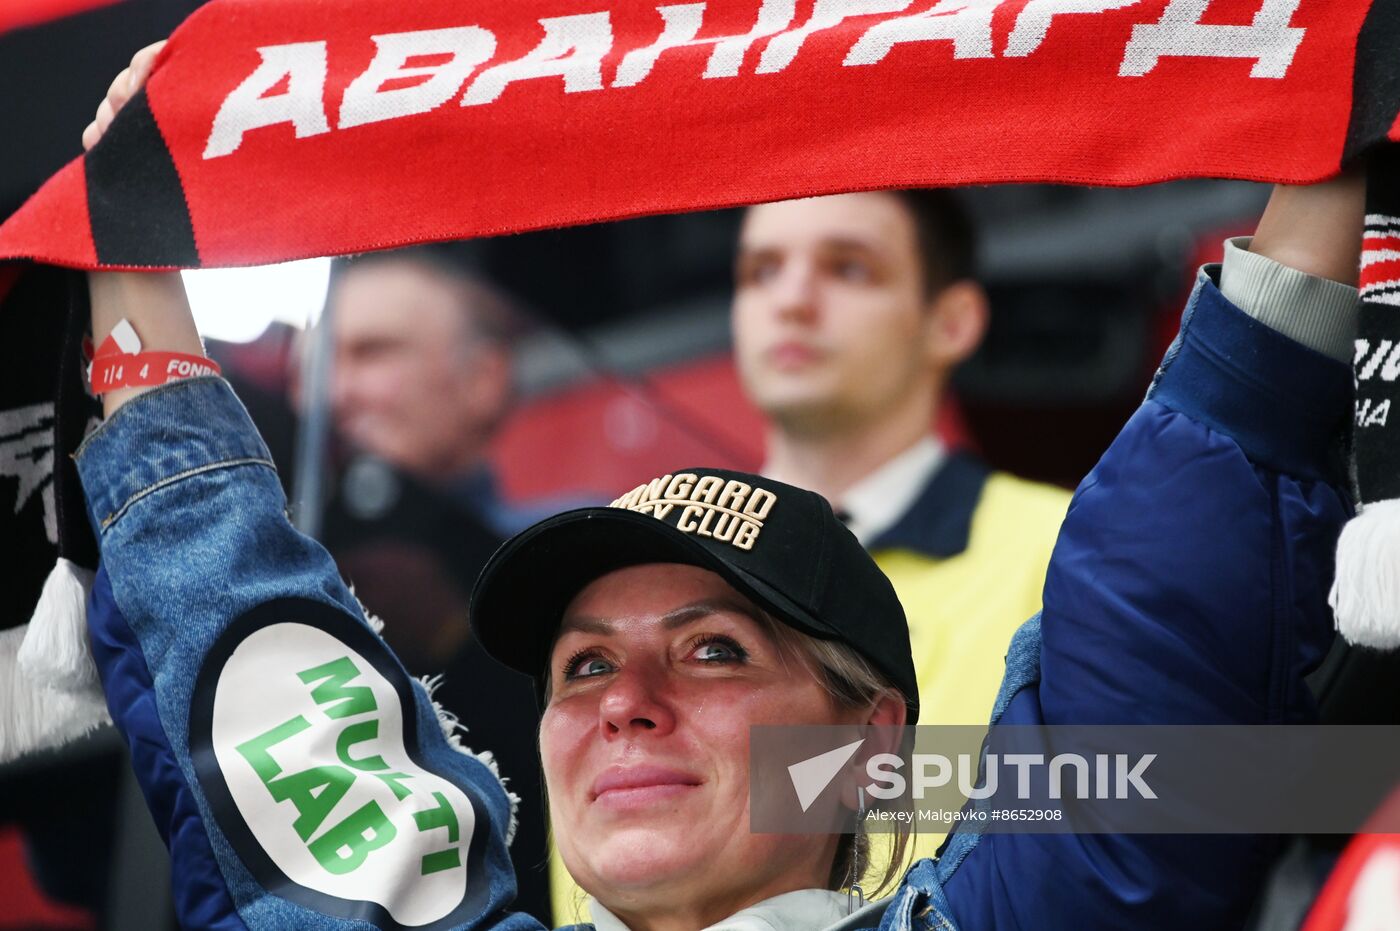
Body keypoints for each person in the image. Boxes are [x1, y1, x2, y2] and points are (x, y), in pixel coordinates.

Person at [76, 47, 1362, 930]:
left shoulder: (1055, 549)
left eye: (710, 649)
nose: (625, 704)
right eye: (579, 667)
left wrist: (1329, 151)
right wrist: (136, 245)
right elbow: (265, 708)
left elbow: (1183, 729)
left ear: (952, 318)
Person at [731, 190, 1071, 730]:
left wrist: (793, 784)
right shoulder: (650, 565)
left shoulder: (1067, 547)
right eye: (761, 271)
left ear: (952, 322)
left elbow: (1194, 783)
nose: (790, 300)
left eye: (849, 268)